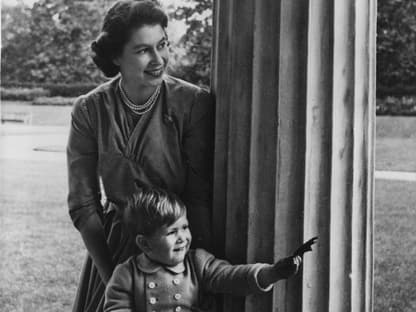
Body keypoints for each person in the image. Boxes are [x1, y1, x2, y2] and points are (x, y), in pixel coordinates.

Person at [66, 1, 214, 311]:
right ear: (116, 57)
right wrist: (113, 280)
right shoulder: (89, 109)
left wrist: (192, 275)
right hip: (114, 251)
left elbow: (199, 199)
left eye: (162, 45)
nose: (158, 59)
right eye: (143, 50)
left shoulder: (193, 103)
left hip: (175, 252)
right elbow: (83, 204)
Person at [104, 188, 317, 312]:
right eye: (171, 233)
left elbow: (232, 276)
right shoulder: (127, 274)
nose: (182, 238)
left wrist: (271, 273)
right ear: (145, 243)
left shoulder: (196, 262)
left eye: (185, 228)